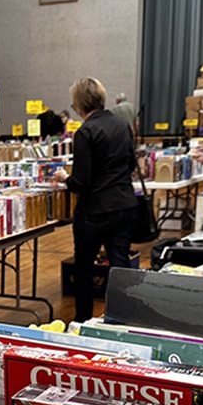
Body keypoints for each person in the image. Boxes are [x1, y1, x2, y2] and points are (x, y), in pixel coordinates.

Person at [52, 77, 137, 322]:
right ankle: (123, 318)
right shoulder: (122, 124)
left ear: (78, 105)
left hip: (95, 211)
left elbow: (81, 182)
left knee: (84, 268)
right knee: (120, 266)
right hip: (125, 204)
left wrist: (64, 179)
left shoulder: (85, 132)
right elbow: (131, 163)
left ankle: (83, 322)